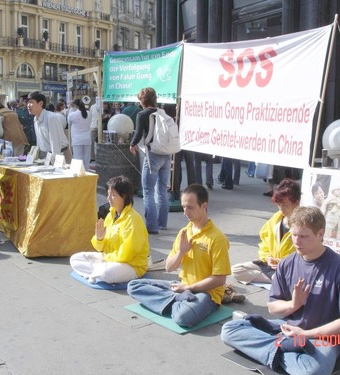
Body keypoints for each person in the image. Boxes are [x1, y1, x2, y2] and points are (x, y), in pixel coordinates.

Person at [221, 206, 340, 375]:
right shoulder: (287, 263)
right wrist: (293, 304)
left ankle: (275, 348)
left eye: (303, 236)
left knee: (311, 372)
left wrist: (306, 334)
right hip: (288, 329)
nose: (296, 241)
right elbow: (272, 307)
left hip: (324, 337)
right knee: (229, 330)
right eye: (294, 234)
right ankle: (283, 348)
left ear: (320, 234)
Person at [127, 184, 231, 328]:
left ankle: (175, 300)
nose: (185, 212)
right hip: (181, 286)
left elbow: (220, 279)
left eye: (190, 207)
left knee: (183, 318)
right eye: (183, 207)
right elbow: (169, 267)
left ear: (204, 206)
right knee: (133, 286)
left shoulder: (217, 238)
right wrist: (181, 252)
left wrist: (190, 287)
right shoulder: (184, 232)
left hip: (206, 294)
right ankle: (177, 299)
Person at [70, 175, 149, 283]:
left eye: (113, 195)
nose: (108, 198)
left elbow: (126, 254)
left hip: (131, 265)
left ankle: (97, 272)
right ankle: (97, 272)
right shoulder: (111, 215)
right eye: (108, 194)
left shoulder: (132, 220)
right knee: (75, 259)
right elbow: (100, 248)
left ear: (124, 196)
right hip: (109, 259)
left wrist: (106, 259)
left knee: (106, 273)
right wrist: (99, 238)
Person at [231, 178, 301, 284]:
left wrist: (283, 263)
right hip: (271, 265)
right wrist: (267, 257)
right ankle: (276, 281)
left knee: (293, 277)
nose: (281, 209)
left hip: (291, 268)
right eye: (279, 205)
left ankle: (278, 280)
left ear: (297, 203)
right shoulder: (276, 219)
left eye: (285, 205)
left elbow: (307, 255)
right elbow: (264, 244)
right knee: (236, 270)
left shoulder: (304, 223)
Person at [129, 87, 170, 234]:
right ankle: (162, 223)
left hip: (152, 154)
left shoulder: (142, 114)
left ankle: (151, 226)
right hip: (166, 154)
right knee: (162, 190)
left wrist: (132, 144)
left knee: (148, 191)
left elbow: (138, 133)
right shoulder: (163, 113)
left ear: (143, 101)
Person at [26, 91, 72, 163]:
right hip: (46, 156)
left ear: (40, 103)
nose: (28, 105)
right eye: (27, 103)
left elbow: (55, 142)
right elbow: (40, 141)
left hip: (60, 155)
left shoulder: (51, 118)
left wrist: (55, 162)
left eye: (31, 102)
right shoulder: (36, 118)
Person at [68, 98, 92, 170]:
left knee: (78, 159)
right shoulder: (89, 113)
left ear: (75, 105)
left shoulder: (73, 114)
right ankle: (87, 173)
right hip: (87, 139)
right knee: (87, 159)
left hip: (77, 140)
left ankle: (80, 176)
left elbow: (68, 121)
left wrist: (71, 108)